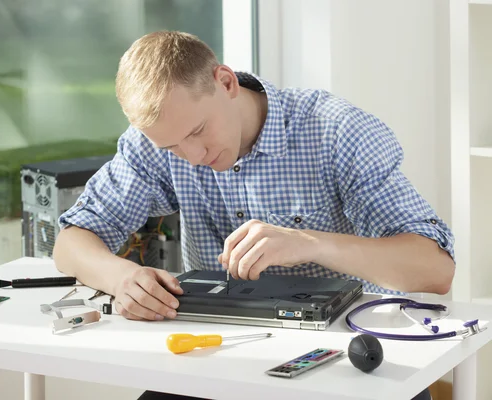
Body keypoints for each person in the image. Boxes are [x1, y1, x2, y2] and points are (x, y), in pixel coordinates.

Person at [53, 31, 451, 400]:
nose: (193, 157)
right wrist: (122, 278)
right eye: (172, 147)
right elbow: (72, 241)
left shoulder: (337, 132)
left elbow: (435, 271)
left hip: (341, 359)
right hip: (221, 358)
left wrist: (310, 244)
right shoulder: (154, 142)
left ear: (225, 83)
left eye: (197, 132)